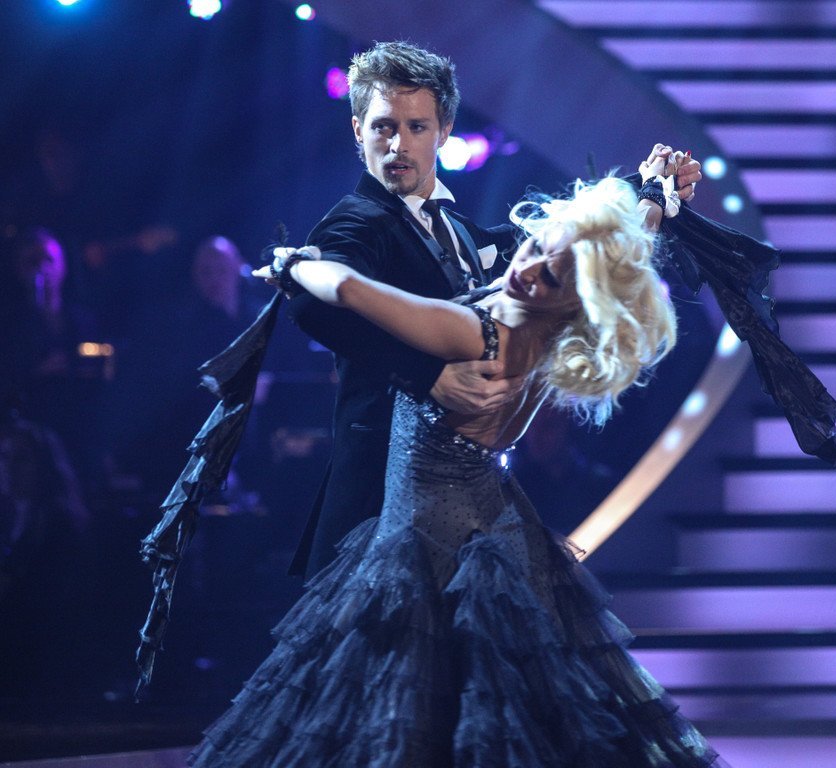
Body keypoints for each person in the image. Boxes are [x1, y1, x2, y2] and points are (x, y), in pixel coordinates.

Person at [187, 172, 728, 767]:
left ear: (578, 300)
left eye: (549, 276)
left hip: (423, 543)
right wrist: (651, 198)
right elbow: (625, 246)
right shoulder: (552, 331)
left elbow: (346, 288)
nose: (526, 269)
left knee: (408, 715)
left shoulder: (477, 334)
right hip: (495, 526)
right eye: (533, 245)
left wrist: (293, 264)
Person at [284, 41, 701, 579]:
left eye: (416, 127)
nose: (398, 145)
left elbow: (565, 252)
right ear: (358, 130)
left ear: (444, 131)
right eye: (384, 127)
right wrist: (427, 375)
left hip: (470, 500)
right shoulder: (356, 220)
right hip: (379, 496)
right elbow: (312, 304)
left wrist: (648, 192)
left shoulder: (459, 228)